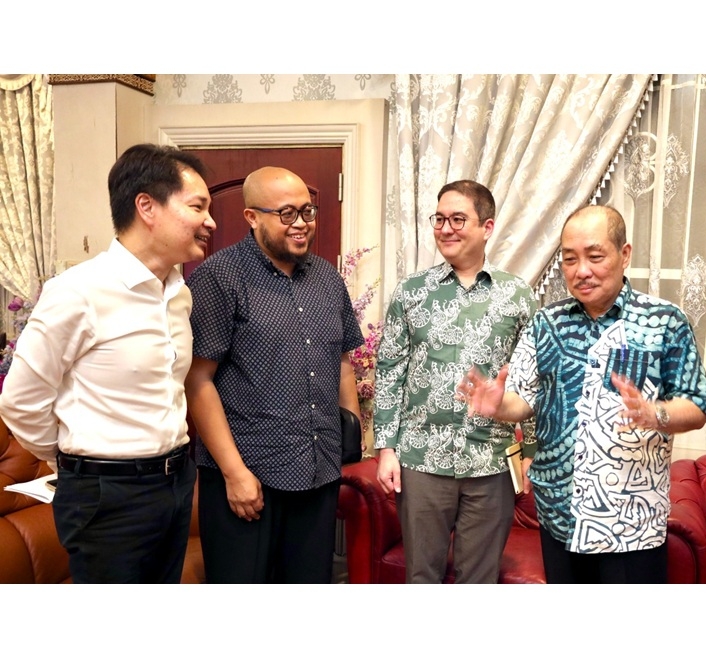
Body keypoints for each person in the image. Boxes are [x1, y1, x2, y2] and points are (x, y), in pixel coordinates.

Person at [459, 205, 706, 583]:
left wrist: (654, 414)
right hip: (559, 514)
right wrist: (497, 407)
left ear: (624, 254)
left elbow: (698, 405)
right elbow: (523, 401)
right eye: (570, 259)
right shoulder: (547, 323)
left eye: (595, 257)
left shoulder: (664, 321)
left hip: (631, 521)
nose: (581, 271)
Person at [0, 143, 216, 583]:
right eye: (198, 206)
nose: (210, 221)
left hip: (175, 483)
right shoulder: (78, 291)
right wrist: (79, 460)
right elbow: (21, 401)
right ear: (146, 206)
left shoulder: (179, 293)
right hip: (105, 495)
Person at [185, 166, 363, 583]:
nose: (301, 224)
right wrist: (234, 473)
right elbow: (197, 380)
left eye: (307, 211)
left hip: (318, 473)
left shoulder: (327, 278)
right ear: (252, 217)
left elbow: (341, 363)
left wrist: (349, 441)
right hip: (248, 481)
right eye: (286, 214)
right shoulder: (219, 277)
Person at [373, 180, 537, 583]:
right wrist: (386, 449)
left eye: (458, 219)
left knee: (478, 582)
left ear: (487, 226)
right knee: (422, 578)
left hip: (491, 461)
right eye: (440, 219)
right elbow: (390, 370)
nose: (445, 229)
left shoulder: (517, 296)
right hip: (420, 460)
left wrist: (531, 448)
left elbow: (532, 378)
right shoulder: (411, 292)